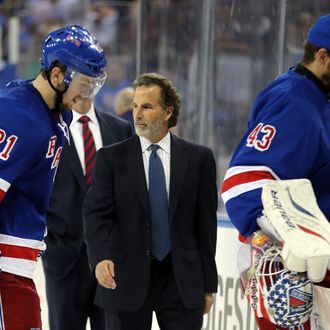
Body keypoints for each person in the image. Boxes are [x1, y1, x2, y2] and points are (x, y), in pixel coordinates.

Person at [83, 72, 218, 330]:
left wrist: (208, 285)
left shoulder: (199, 159)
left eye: (146, 107)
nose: (137, 114)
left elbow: (206, 227)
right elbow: (95, 214)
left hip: (181, 281)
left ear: (168, 112)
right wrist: (100, 257)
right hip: (125, 278)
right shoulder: (111, 159)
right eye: (135, 106)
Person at [221, 14, 330, 330]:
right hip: (292, 265)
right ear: (322, 56)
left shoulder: (317, 98)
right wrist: (276, 244)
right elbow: (242, 183)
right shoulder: (294, 102)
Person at [0, 24, 107, 329]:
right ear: (58, 75)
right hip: (5, 268)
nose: (87, 95)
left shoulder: (58, 113)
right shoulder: (18, 117)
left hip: (18, 267)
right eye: (84, 83)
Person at [42, 97, 133, 330]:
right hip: (64, 258)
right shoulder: (48, 128)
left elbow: (130, 190)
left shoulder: (120, 129)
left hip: (110, 259)